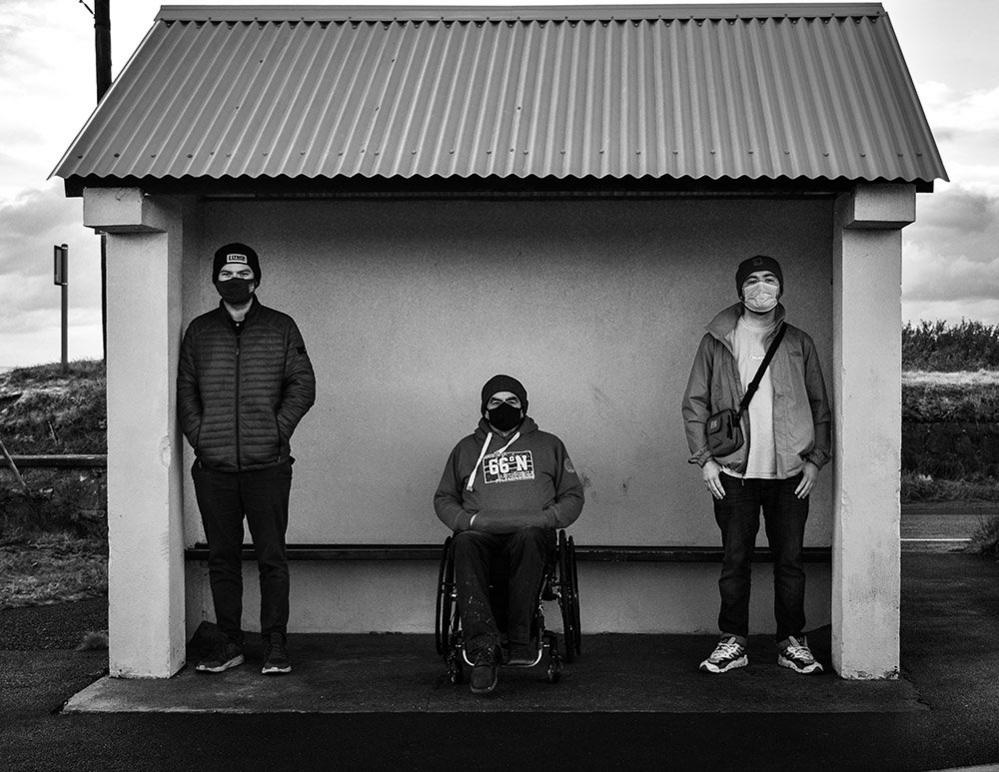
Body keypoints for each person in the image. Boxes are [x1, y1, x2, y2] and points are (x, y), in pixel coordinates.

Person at [682, 255, 831, 675]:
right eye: (752, 280)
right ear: (739, 289)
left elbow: (820, 405)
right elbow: (694, 404)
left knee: (790, 562)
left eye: (769, 279)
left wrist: (816, 462)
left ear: (781, 287)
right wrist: (706, 462)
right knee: (735, 561)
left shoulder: (799, 342)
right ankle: (733, 641)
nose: (761, 287)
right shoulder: (717, 340)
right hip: (733, 474)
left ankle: (791, 643)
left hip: (790, 475)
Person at [178, 242, 315, 676]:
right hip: (214, 469)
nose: (235, 281)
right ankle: (230, 643)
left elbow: (303, 386)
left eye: (243, 274)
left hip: (268, 467)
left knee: (272, 557)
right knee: (223, 558)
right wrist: (201, 438)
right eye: (226, 274)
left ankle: (275, 643)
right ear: (215, 279)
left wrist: (277, 431)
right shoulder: (200, 332)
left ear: (256, 278)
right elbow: (185, 393)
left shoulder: (280, 327)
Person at [434, 375, 584, 695]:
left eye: (512, 402)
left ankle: (519, 638)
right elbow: (444, 497)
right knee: (463, 541)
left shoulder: (549, 445)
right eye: (496, 402)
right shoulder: (465, 449)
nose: (504, 407)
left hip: (530, 534)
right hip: (482, 535)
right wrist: (466, 520)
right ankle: (483, 649)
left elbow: (572, 495)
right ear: (485, 409)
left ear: (524, 407)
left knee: (531, 536)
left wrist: (548, 519)